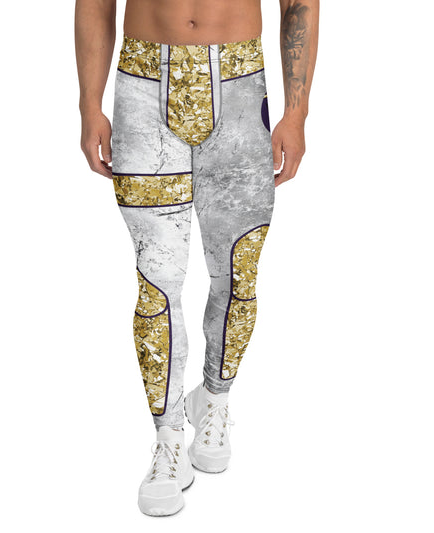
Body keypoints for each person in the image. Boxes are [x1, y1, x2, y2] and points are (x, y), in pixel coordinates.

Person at [75, 0, 319, 516]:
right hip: (143, 86)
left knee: (238, 271)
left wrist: (296, 113)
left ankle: (215, 396)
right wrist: (88, 104)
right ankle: (167, 438)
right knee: (156, 280)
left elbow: (298, 4)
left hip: (240, 87)